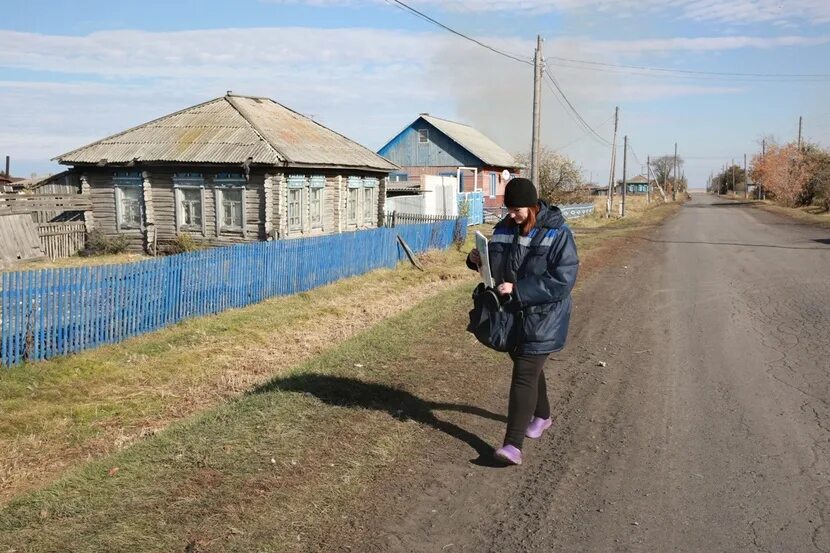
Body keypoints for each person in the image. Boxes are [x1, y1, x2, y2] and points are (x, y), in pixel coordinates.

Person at [466, 177, 579, 465]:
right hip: (511, 314)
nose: (512, 215)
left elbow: (562, 280)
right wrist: (478, 259)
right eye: (509, 209)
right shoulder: (504, 228)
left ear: (532, 206)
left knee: (524, 374)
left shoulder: (557, 233)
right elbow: (498, 264)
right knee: (527, 366)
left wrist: (519, 290)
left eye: (517, 210)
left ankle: (512, 445)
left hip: (544, 315)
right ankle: (542, 416)